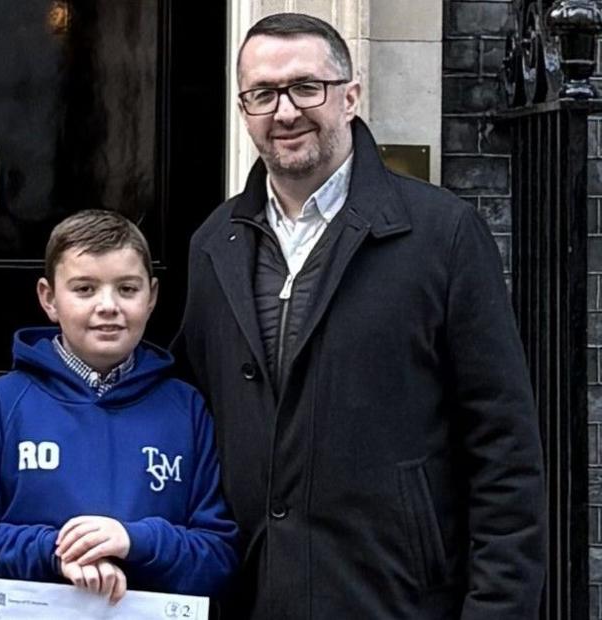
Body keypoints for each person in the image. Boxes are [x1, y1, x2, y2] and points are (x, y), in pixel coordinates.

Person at [173, 12, 546, 619]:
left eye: (305, 88)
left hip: (393, 600)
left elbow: (504, 453)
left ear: (350, 96)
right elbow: (186, 417)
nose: (285, 111)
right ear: (244, 110)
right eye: (263, 94)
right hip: (248, 594)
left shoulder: (443, 236)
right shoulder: (214, 244)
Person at [0, 210, 240, 618]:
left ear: (153, 296)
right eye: (85, 289)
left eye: (127, 289)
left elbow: (220, 557)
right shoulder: (0, 405)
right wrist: (55, 552)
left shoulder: (186, 409)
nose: (108, 306)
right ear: (49, 298)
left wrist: (135, 542)